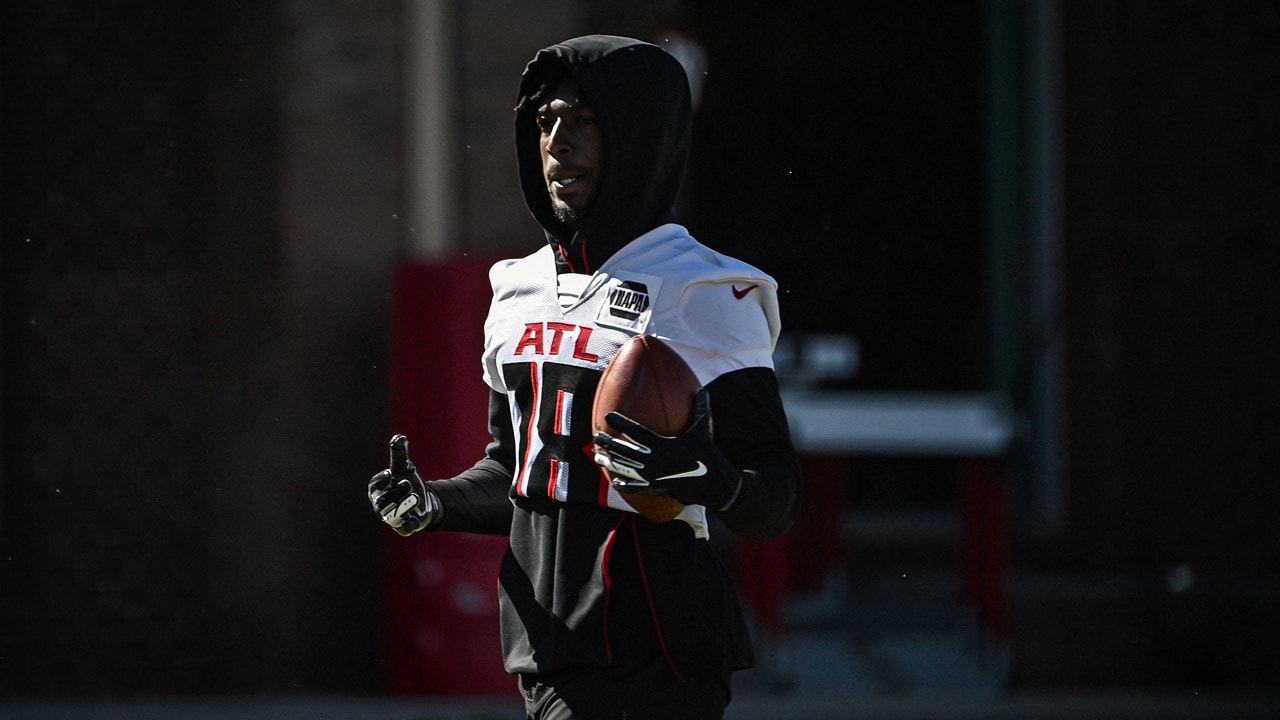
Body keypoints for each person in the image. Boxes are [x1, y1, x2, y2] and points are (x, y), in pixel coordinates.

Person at [368, 34, 802, 719]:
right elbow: (521, 471)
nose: (558, 143)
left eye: (585, 121)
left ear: (640, 135)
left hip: (655, 650)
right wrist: (435, 504)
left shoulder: (706, 288)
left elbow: (776, 494)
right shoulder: (517, 289)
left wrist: (708, 479)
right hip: (544, 646)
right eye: (545, 122)